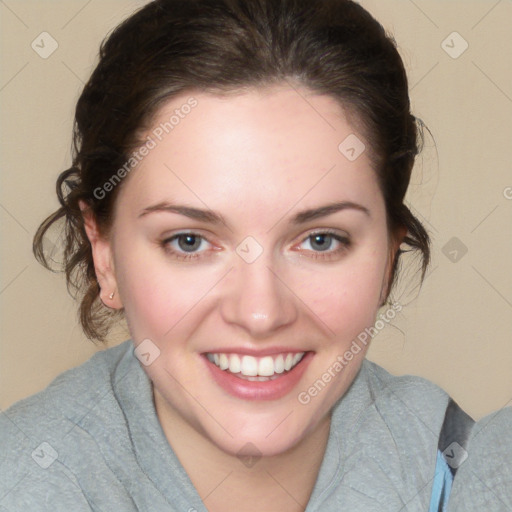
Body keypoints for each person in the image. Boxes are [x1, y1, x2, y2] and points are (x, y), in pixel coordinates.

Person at [0, 0, 510, 510]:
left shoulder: (469, 469)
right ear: (104, 255)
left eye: (320, 240)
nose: (260, 314)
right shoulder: (23, 477)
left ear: (388, 260)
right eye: (189, 241)